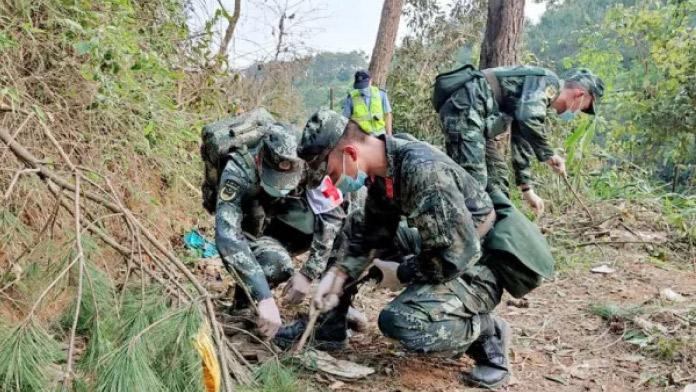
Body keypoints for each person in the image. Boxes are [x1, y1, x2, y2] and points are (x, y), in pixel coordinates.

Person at [276, 121, 555, 388]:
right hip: (442, 243)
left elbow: (455, 256)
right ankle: (329, 327)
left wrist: (401, 272)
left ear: (350, 154)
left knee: (401, 321)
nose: (332, 184)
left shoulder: (424, 173)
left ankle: (486, 332)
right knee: (351, 229)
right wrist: (339, 275)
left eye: (332, 174)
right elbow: (372, 234)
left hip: (479, 262)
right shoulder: (384, 168)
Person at [214, 119, 346, 339]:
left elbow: (331, 216)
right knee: (276, 264)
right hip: (250, 230)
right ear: (261, 159)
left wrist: (308, 273)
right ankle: (245, 300)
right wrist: (265, 297)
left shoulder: (309, 163)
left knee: (349, 224)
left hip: (282, 225)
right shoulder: (238, 169)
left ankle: (336, 313)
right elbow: (227, 236)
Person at [435, 66, 604, 214]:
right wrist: (549, 155)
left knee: (498, 177)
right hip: (465, 111)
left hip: (475, 119)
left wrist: (527, 189)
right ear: (579, 95)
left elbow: (521, 138)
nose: (579, 111)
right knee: (474, 184)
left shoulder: (537, 100)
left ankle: (499, 234)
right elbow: (528, 118)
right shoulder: (548, 83)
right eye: (585, 106)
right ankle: (457, 237)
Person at [342, 69, 393, 135]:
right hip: (359, 137)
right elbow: (344, 119)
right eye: (360, 86)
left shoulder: (381, 94)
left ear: (370, 81)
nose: (362, 89)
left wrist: (389, 135)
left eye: (364, 85)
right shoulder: (351, 98)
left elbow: (387, 115)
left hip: (380, 135)